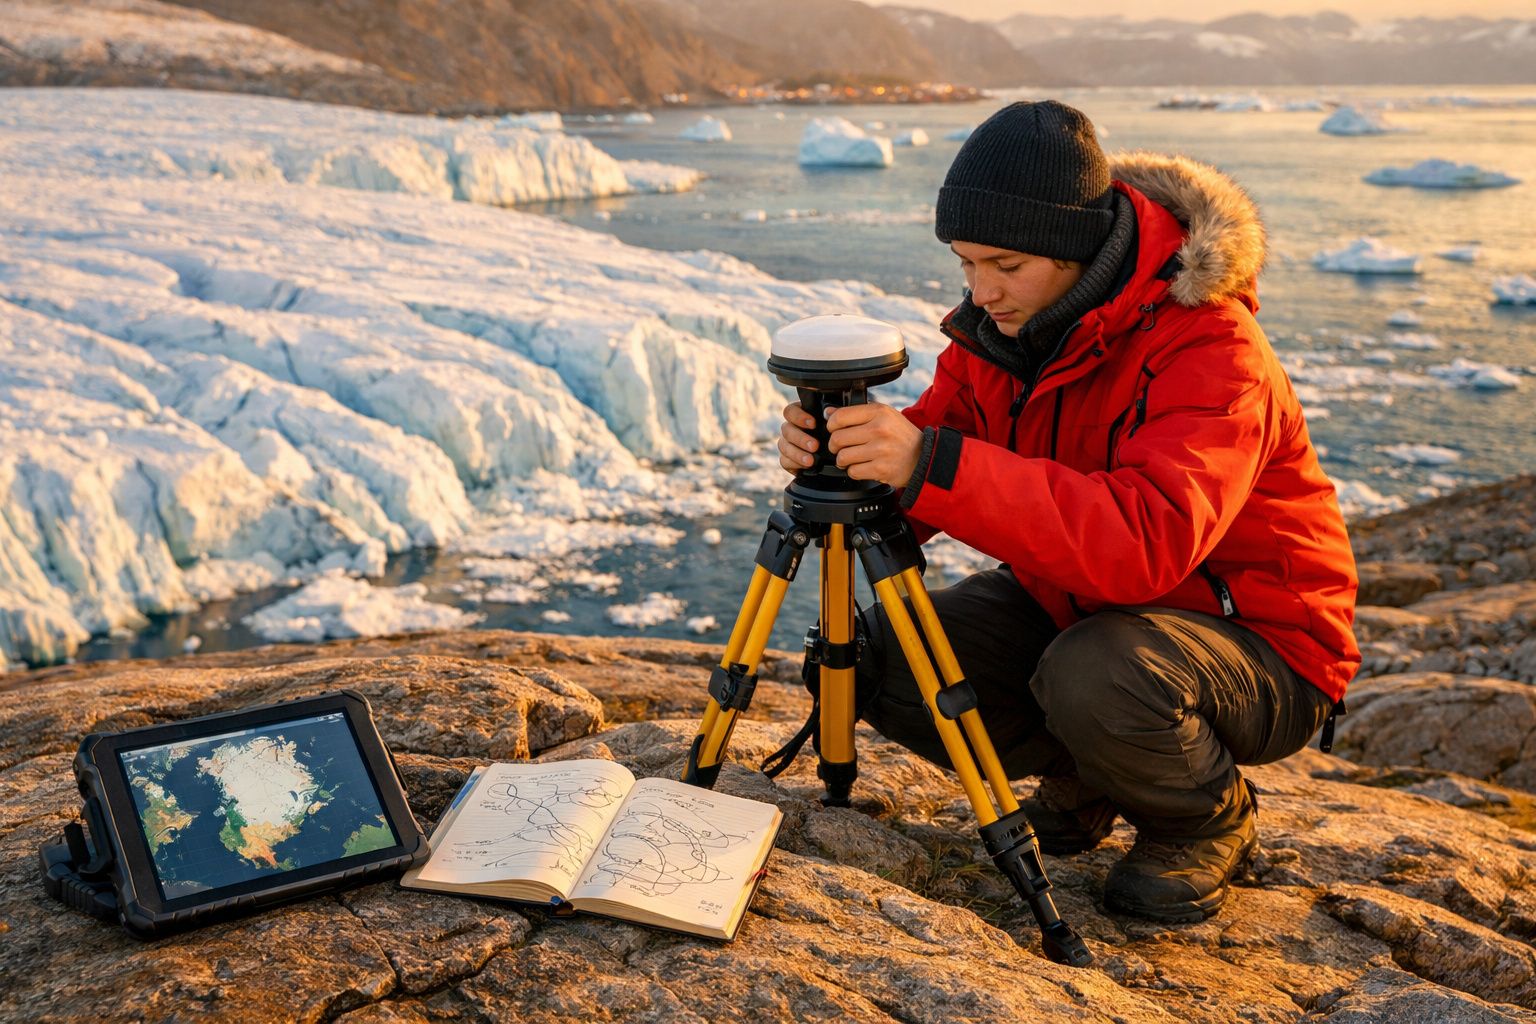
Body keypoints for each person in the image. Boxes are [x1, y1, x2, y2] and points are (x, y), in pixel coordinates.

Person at [777, 100, 1360, 923]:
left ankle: (1203, 818)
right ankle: (1094, 775)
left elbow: (1145, 546)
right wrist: (850, 471)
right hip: (1081, 608)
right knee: (876, 652)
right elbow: (933, 458)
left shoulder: (1211, 347)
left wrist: (926, 464)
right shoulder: (999, 334)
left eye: (1005, 264)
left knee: (1097, 671)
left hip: (1261, 646)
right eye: (966, 263)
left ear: (1076, 245)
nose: (982, 291)